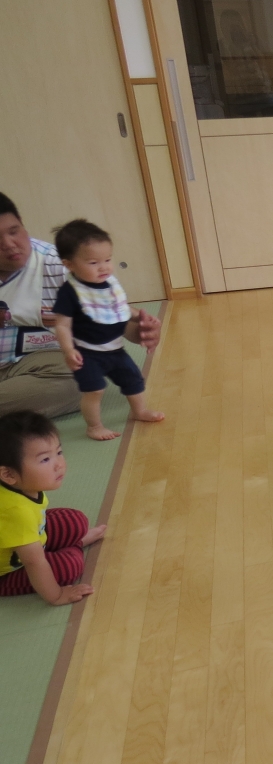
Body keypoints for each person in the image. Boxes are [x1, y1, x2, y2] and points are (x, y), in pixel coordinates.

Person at [0, 193, 159, 419]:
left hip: (43, 362)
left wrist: (141, 330)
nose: (9, 244)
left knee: (78, 377)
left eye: (14, 231)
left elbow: (111, 317)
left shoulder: (65, 266)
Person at [51, 220, 164, 441]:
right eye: (93, 262)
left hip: (115, 349)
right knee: (94, 390)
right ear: (69, 264)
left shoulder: (108, 284)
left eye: (108, 260)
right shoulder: (70, 292)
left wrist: (139, 316)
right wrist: (68, 350)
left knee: (134, 380)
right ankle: (94, 426)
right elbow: (62, 324)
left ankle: (139, 411)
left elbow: (120, 307)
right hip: (87, 352)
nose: (103, 267)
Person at [0, 411, 106, 603]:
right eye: (45, 460)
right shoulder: (16, 512)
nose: (59, 465)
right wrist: (56, 596)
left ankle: (67, 544)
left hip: (26, 539)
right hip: (7, 572)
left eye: (59, 452)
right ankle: (75, 545)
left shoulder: (22, 485)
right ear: (8, 474)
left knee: (75, 520)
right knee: (69, 567)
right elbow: (33, 562)